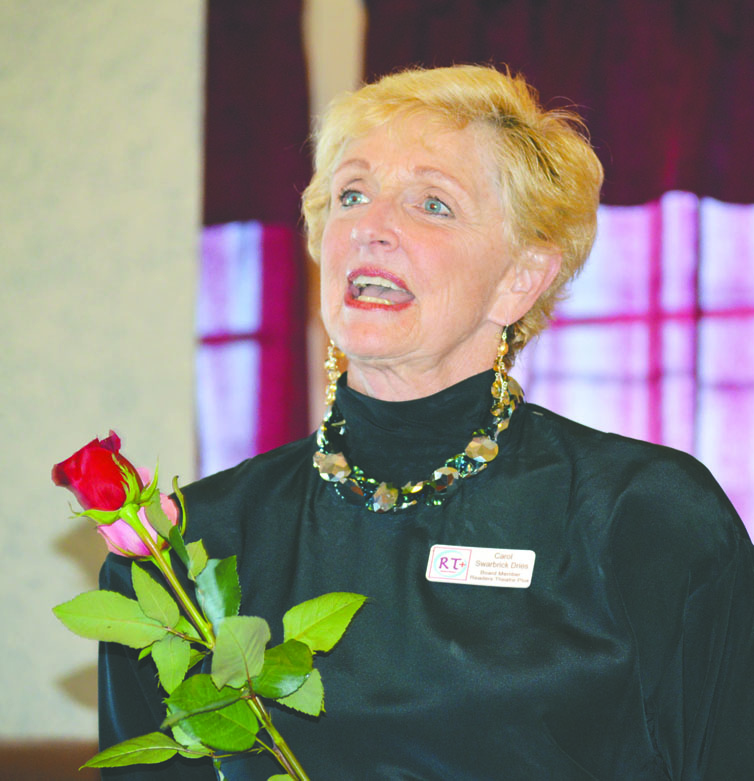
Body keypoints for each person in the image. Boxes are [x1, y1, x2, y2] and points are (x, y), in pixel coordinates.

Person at [99, 64, 754, 779]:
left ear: (520, 277)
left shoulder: (644, 515)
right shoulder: (188, 546)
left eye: (432, 204)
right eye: (351, 195)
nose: (370, 228)